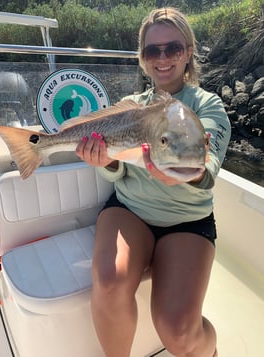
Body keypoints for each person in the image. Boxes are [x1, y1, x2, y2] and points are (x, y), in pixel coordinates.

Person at [76, 7, 231, 357]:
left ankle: (212, 350)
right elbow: (116, 167)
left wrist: (191, 173)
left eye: (173, 48)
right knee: (110, 280)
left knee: (179, 334)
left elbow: (206, 167)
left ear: (188, 52)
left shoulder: (209, 106)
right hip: (130, 210)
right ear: (143, 58)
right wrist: (106, 161)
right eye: (152, 51)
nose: (162, 59)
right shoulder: (130, 107)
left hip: (188, 220)